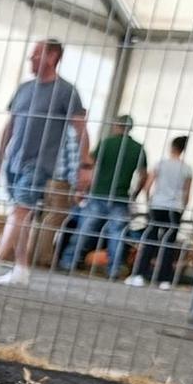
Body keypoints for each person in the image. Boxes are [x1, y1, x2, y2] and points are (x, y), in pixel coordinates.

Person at [0, 39, 91, 286]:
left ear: (52, 57)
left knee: (19, 210)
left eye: (36, 55)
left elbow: (81, 128)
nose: (31, 60)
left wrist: (84, 164)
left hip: (40, 163)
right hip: (14, 159)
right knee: (21, 215)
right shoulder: (24, 89)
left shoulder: (66, 91)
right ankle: (21, 269)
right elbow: (10, 124)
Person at [64, 114, 146, 277]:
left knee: (84, 230)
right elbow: (143, 174)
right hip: (120, 196)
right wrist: (135, 193)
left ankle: (68, 261)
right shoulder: (138, 148)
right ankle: (114, 269)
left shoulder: (106, 143)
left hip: (99, 193)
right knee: (116, 235)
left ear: (116, 125)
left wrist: (83, 188)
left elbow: (90, 166)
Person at [131, 135, 193, 287]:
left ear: (171, 147)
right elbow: (187, 192)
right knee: (169, 243)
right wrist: (183, 207)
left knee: (150, 239)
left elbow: (148, 186)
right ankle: (164, 279)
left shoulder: (160, 164)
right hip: (175, 208)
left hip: (158, 205)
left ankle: (140, 274)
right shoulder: (187, 169)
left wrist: (148, 200)